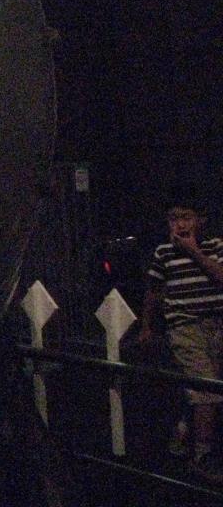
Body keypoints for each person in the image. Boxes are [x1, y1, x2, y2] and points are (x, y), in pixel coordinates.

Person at [139, 199, 223, 472]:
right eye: (174, 218)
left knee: (208, 389)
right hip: (184, 327)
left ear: (199, 221)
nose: (180, 224)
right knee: (206, 390)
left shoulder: (214, 246)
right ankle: (202, 456)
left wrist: (193, 251)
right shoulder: (164, 252)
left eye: (186, 217)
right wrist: (146, 326)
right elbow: (153, 291)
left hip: (216, 326)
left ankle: (184, 429)